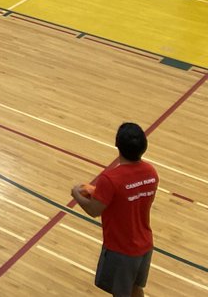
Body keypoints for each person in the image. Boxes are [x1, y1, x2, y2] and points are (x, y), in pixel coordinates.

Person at [71, 122, 157, 297]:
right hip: (145, 244)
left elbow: (94, 210)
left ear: (117, 144)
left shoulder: (110, 179)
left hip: (121, 250)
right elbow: (128, 196)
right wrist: (98, 192)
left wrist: (76, 194)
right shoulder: (151, 173)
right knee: (135, 288)